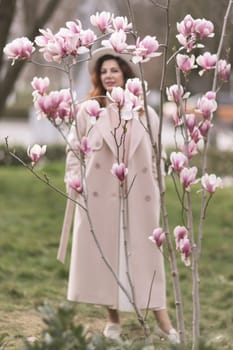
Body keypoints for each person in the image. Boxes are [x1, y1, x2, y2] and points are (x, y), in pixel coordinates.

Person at [57, 47, 180, 344]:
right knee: (105, 259)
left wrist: (158, 188)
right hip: (99, 196)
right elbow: (75, 150)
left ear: (126, 73)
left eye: (114, 70)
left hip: (139, 196)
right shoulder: (89, 110)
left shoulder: (145, 112)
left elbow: (154, 156)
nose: (109, 75)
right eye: (103, 71)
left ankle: (164, 322)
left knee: (147, 257)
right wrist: (75, 183)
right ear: (98, 77)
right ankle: (112, 318)